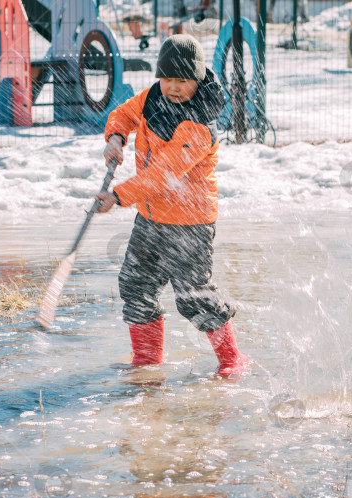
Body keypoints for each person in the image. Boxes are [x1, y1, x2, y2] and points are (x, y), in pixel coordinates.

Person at [96, 34, 249, 378]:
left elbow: (162, 176)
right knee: (136, 285)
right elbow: (124, 113)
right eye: (168, 79)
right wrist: (116, 137)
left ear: (197, 79)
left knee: (193, 298)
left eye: (183, 81)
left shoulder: (198, 126)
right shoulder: (152, 97)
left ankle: (232, 360)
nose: (174, 88)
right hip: (151, 218)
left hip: (190, 223)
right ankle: (147, 360)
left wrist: (118, 196)